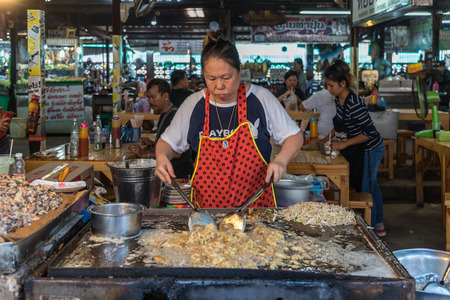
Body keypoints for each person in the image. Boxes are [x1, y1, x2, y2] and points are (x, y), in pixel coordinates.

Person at [155, 31, 303, 208]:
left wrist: (281, 160)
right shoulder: (194, 104)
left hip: (256, 210)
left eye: (226, 78)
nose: (219, 86)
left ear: (239, 70)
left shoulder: (260, 98)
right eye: (211, 78)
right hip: (206, 215)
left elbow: (294, 136)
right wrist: (162, 157)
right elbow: (167, 143)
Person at [321, 59, 385, 237]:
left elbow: (369, 132)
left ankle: (371, 230)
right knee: (370, 185)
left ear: (343, 84)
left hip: (371, 147)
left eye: (331, 85)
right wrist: (325, 139)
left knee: (367, 186)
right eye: (327, 85)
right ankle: (377, 224)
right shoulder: (338, 100)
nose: (329, 89)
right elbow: (340, 125)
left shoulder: (354, 103)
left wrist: (344, 143)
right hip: (358, 148)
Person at [128, 79, 193, 179]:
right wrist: (154, 143)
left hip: (177, 175)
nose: (150, 101)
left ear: (165, 96)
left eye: (153, 97)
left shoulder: (174, 116)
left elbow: (176, 153)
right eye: (148, 97)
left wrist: (145, 154)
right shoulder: (165, 114)